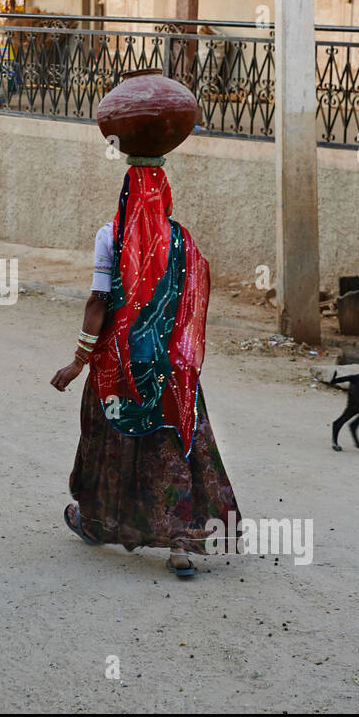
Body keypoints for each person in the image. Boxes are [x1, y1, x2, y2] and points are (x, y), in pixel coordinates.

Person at [51, 159, 241, 578]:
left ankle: (97, 522)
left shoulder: (110, 236)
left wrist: (79, 361)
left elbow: (99, 301)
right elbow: (186, 303)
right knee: (174, 448)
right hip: (169, 370)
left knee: (109, 444)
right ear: (165, 195)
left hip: (117, 365)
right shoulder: (181, 240)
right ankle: (180, 545)